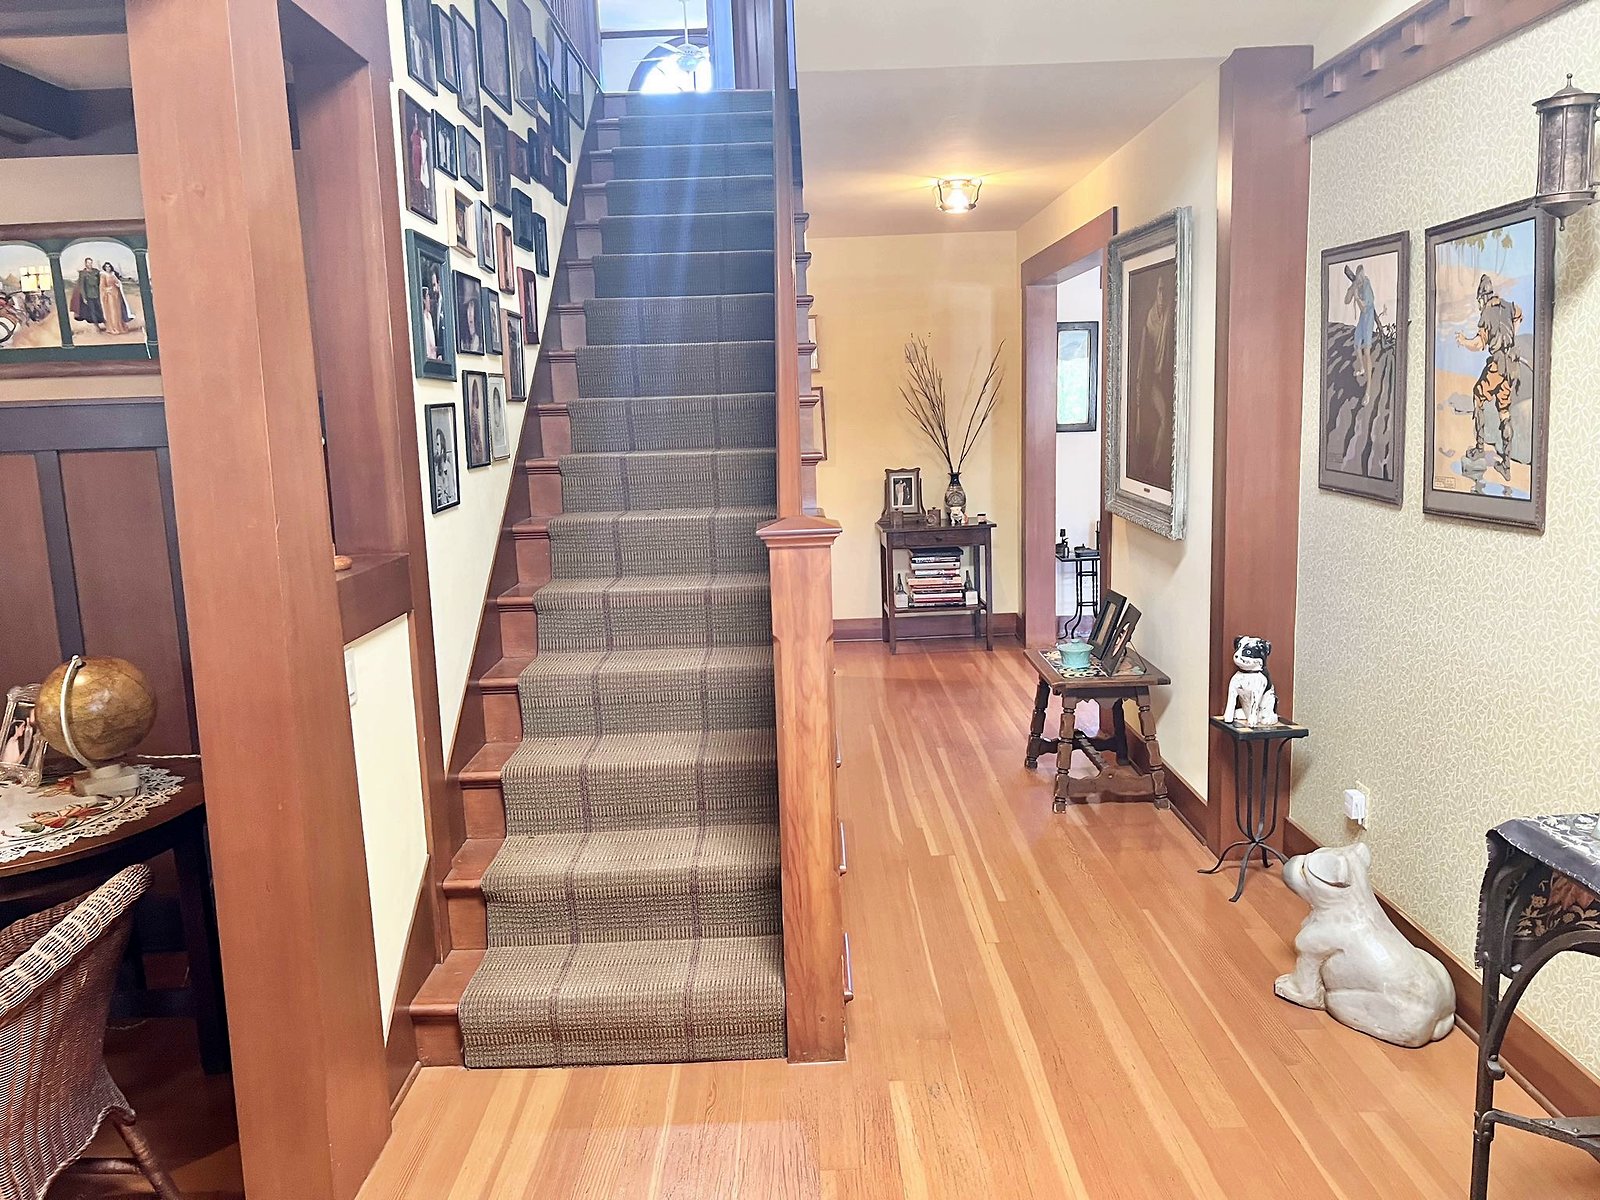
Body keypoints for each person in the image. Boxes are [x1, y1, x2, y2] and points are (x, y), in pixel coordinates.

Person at [1455, 273, 1524, 481]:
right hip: (1511, 367)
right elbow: (1519, 314)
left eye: (1479, 300)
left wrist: (1463, 341)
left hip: (1498, 364)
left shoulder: (1487, 312)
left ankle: (1479, 448)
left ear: (1482, 297)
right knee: (1504, 411)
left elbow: (1479, 344)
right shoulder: (1509, 306)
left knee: (1478, 396)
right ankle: (1506, 465)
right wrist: (1511, 335)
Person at [1344, 262, 1379, 385]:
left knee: (1367, 350)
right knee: (1357, 344)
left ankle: (1369, 386)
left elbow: (1364, 308)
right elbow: (1346, 301)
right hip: (1362, 317)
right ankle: (1361, 367)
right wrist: (1352, 289)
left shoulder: (1366, 285)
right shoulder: (1357, 285)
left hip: (1368, 317)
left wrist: (1357, 297)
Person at [69, 256, 105, 328]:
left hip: (96, 294)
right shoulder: (83, 273)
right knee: (92, 310)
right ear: (85, 264)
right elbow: (82, 286)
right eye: (88, 263)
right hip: (88, 295)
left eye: (90, 263)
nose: (89, 264)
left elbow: (99, 282)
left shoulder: (95, 271)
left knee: (99, 309)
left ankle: (103, 322)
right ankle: (96, 326)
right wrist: (84, 297)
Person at [99, 261, 133, 334]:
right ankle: (113, 328)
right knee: (112, 311)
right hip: (109, 296)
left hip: (116, 295)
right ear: (104, 268)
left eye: (109, 267)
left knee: (118, 311)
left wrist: (118, 284)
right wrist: (107, 289)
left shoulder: (113, 274)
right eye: (106, 267)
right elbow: (102, 287)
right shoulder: (103, 275)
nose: (108, 268)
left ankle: (119, 327)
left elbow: (117, 282)